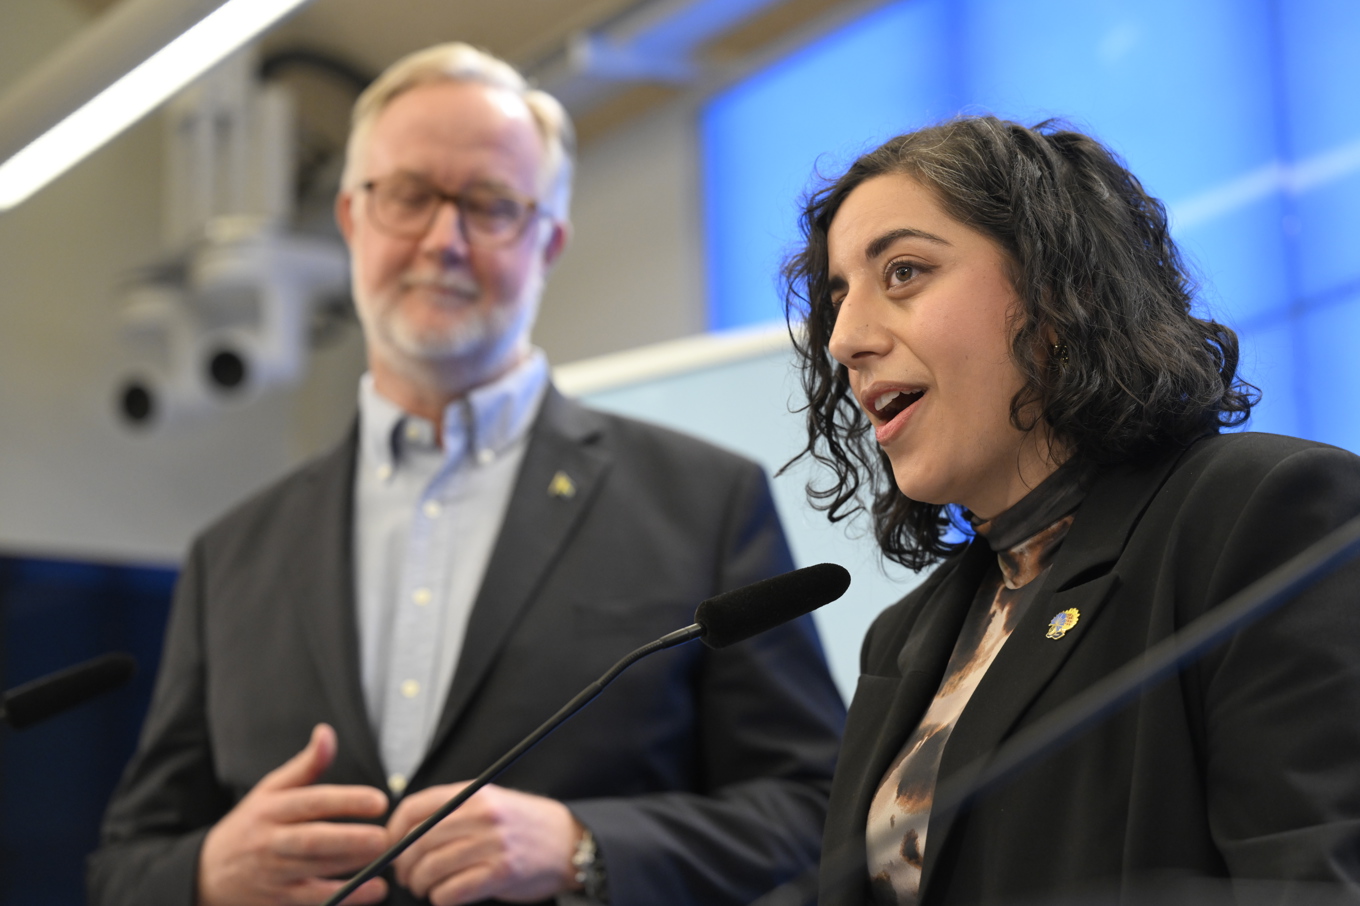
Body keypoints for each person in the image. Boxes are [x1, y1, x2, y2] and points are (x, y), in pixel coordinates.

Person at [88, 42, 845, 906]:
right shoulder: (231, 555)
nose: (443, 241)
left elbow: (818, 810)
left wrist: (587, 847)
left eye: (490, 206)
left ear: (548, 242)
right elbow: (121, 867)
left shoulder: (705, 504)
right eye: (409, 195)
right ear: (352, 218)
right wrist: (205, 873)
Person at [781, 116, 1360, 905]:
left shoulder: (1261, 516)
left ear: (1059, 289)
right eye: (838, 298)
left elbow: (1315, 877)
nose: (845, 339)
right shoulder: (903, 637)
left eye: (904, 272)